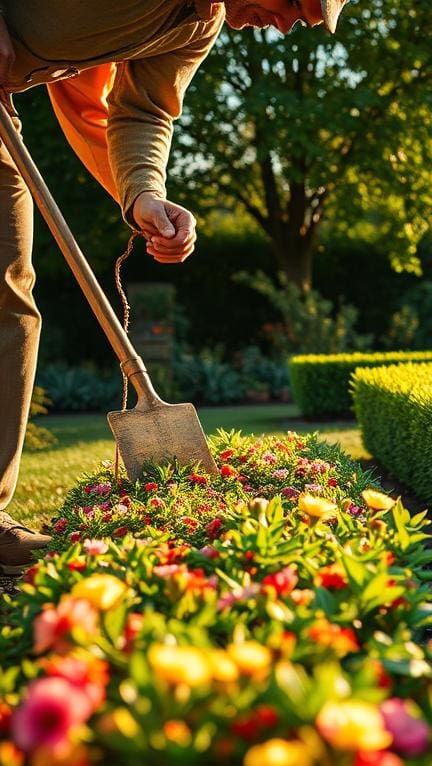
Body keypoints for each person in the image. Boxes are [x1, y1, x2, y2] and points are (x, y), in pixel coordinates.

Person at [0, 0, 351, 574]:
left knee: (9, 299)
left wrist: (144, 194)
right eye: (296, 5)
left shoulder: (198, 25)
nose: (288, 26)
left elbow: (143, 110)